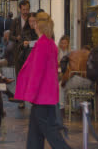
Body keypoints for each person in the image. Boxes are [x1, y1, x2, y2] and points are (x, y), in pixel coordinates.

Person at [14, 12, 71, 149]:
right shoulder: (50, 43)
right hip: (48, 94)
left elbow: (37, 72)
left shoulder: (42, 44)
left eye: (34, 23)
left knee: (51, 133)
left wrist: (30, 94)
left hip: (42, 96)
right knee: (35, 134)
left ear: (38, 26)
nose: (32, 25)